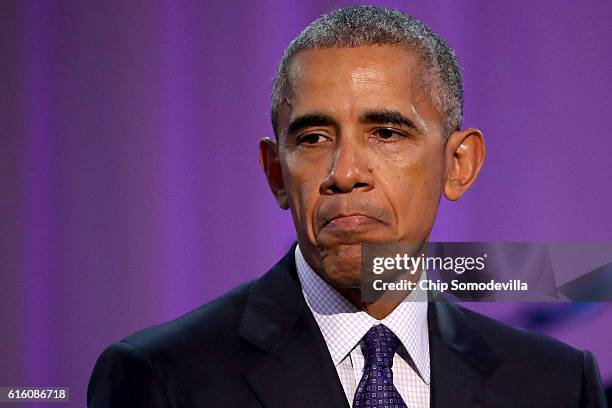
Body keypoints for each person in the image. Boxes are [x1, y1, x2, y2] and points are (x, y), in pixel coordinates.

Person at [87, 6, 607, 407]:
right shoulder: (163, 376)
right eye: (313, 137)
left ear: (458, 165)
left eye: (386, 132)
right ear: (276, 174)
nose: (345, 172)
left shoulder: (555, 383)